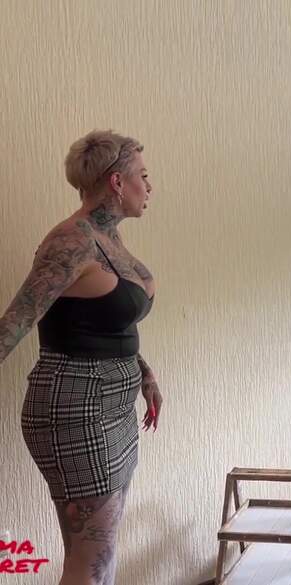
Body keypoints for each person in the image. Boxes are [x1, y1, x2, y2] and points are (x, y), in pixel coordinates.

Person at [0, 130, 162, 585]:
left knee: (97, 554)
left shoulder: (108, 238)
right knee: (91, 561)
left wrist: (143, 372)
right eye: (143, 175)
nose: (149, 186)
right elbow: (17, 320)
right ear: (116, 182)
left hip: (113, 405)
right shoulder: (69, 242)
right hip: (76, 407)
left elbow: (103, 323)